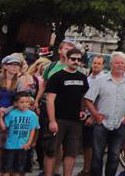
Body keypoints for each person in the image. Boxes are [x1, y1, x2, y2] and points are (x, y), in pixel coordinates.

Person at [42, 48, 89, 176]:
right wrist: (52, 121)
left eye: (79, 59)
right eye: (73, 59)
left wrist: (82, 110)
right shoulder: (57, 77)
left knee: (71, 152)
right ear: (67, 59)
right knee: (51, 151)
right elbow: (50, 99)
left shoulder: (83, 77)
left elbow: (84, 96)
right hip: (58, 119)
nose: (76, 62)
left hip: (75, 121)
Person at [0, 92, 39, 176]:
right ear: (15, 103)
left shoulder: (32, 115)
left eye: (27, 102)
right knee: (6, 169)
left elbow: (33, 130)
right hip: (10, 146)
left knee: (18, 170)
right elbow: (4, 128)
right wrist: (0, 117)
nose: (24, 104)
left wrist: (29, 143)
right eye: (21, 102)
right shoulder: (11, 114)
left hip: (23, 147)